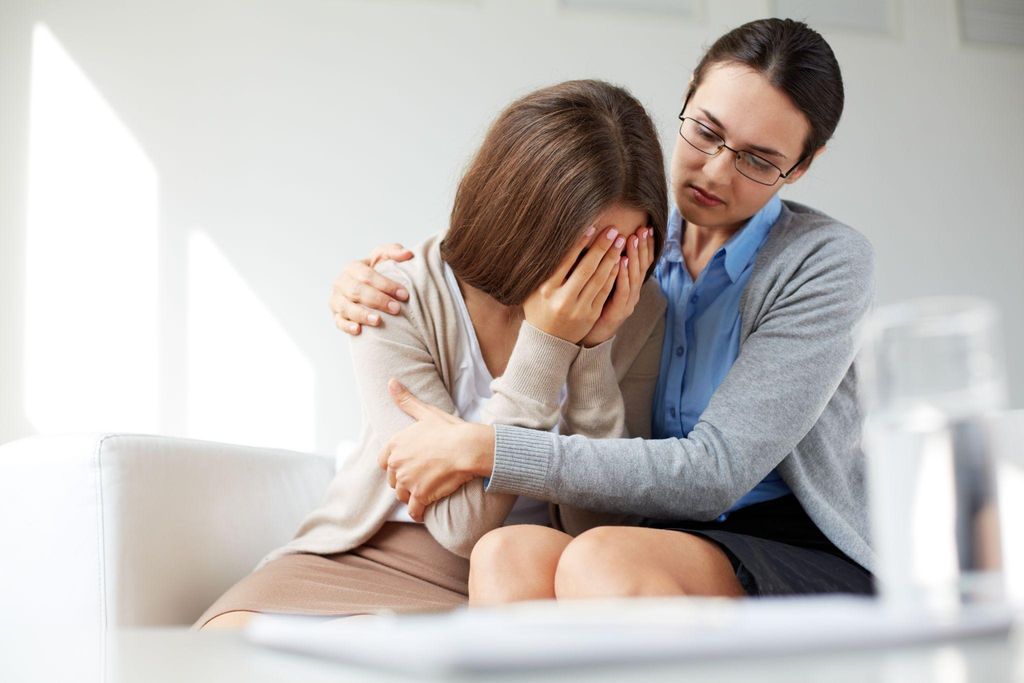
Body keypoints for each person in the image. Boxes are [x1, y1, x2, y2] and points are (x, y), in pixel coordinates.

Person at [332, 18, 876, 602]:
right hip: (651, 531)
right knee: (505, 552)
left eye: (759, 161)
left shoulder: (822, 261)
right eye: (705, 131)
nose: (716, 171)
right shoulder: (621, 245)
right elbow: (496, 244)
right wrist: (370, 281)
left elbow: (716, 472)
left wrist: (487, 448)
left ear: (802, 165)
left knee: (601, 559)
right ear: (688, 95)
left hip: (786, 538)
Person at [195, 79, 670, 629]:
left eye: (627, 249)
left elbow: (600, 525)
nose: (604, 275)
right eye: (590, 250)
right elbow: (457, 522)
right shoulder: (395, 294)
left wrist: (586, 352)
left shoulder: (640, 311)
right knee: (218, 650)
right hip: (365, 551)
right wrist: (546, 349)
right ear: (521, 220)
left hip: (522, 570)